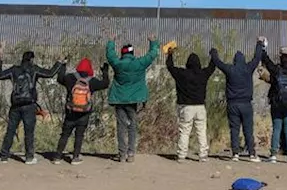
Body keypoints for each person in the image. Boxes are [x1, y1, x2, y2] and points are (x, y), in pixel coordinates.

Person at [0, 43, 63, 164]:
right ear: (32, 59)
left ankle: (4, 156)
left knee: (10, 130)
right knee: (29, 132)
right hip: (29, 105)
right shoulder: (34, 69)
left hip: (15, 105)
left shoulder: (14, 70)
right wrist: (59, 62)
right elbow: (50, 73)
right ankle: (29, 157)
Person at [106, 35, 161, 163]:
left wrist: (111, 42)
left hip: (119, 99)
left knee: (121, 126)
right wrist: (153, 42)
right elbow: (152, 55)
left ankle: (122, 154)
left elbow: (110, 55)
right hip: (134, 100)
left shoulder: (118, 64)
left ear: (122, 53)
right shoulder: (139, 63)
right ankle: (131, 153)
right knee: (132, 125)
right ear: (132, 52)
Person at [211, 38, 267, 161]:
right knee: (248, 129)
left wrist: (213, 52)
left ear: (234, 61)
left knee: (234, 129)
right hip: (246, 104)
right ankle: (252, 154)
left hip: (233, 104)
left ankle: (235, 153)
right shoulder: (248, 68)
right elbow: (257, 58)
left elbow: (218, 62)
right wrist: (259, 44)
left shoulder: (230, 69)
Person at [167, 45, 217, 162]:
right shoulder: (203, 74)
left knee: (184, 131)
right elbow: (212, 67)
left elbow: (170, 67)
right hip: (200, 107)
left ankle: (181, 155)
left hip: (186, 107)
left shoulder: (182, 74)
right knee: (201, 131)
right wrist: (214, 55)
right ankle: (203, 155)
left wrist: (170, 54)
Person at [55, 57, 109, 164]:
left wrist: (63, 66)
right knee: (79, 135)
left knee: (65, 134)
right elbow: (105, 84)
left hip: (70, 112)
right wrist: (105, 72)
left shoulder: (70, 78)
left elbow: (60, 78)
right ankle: (75, 157)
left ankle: (57, 157)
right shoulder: (92, 81)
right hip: (84, 113)